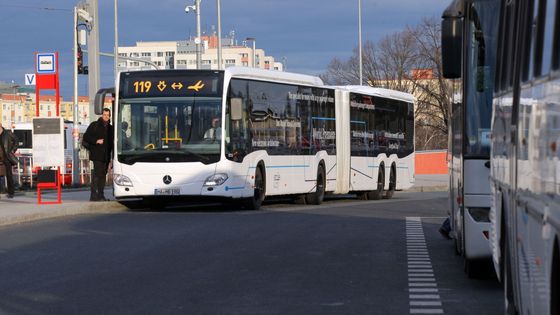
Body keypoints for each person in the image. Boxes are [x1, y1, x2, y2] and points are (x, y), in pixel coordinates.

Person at [83, 108, 114, 201]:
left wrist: (112, 158)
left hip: (106, 156)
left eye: (108, 115)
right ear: (102, 115)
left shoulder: (111, 128)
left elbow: (112, 143)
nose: (106, 117)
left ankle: (101, 195)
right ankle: (93, 196)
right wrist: (96, 141)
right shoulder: (94, 125)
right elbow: (86, 137)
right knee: (97, 174)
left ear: (110, 116)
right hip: (97, 155)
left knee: (103, 175)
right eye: (104, 115)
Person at [0, 122, 19, 199]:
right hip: (0, 157)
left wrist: (12, 150)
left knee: (9, 175)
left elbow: (16, 141)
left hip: (7, 157)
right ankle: (2, 190)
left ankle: (11, 192)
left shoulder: (7, 133)